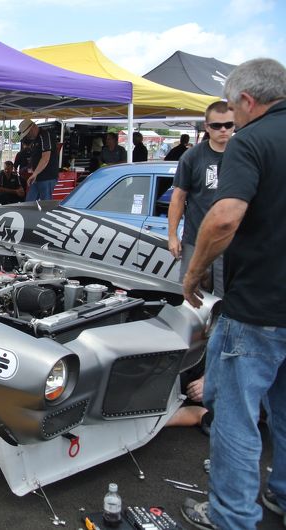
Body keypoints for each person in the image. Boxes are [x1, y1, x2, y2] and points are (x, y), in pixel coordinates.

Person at [179, 58, 286, 530]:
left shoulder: (252, 140)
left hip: (259, 306)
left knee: (235, 419)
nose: (230, 123)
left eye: (232, 112)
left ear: (246, 100)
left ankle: (232, 517)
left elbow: (224, 218)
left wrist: (195, 271)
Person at [168, 100, 234, 297]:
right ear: (207, 126)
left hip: (231, 243)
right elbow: (178, 197)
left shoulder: (243, 154)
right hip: (195, 241)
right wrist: (172, 236)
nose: (223, 130)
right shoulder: (192, 156)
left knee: (227, 301)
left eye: (228, 124)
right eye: (217, 125)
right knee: (191, 298)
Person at [18, 119, 59, 201]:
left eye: (28, 133)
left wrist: (34, 173)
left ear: (33, 128)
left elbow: (45, 157)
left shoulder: (45, 135)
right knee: (29, 202)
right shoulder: (36, 138)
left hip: (47, 176)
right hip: (37, 176)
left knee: (45, 203)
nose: (27, 136)